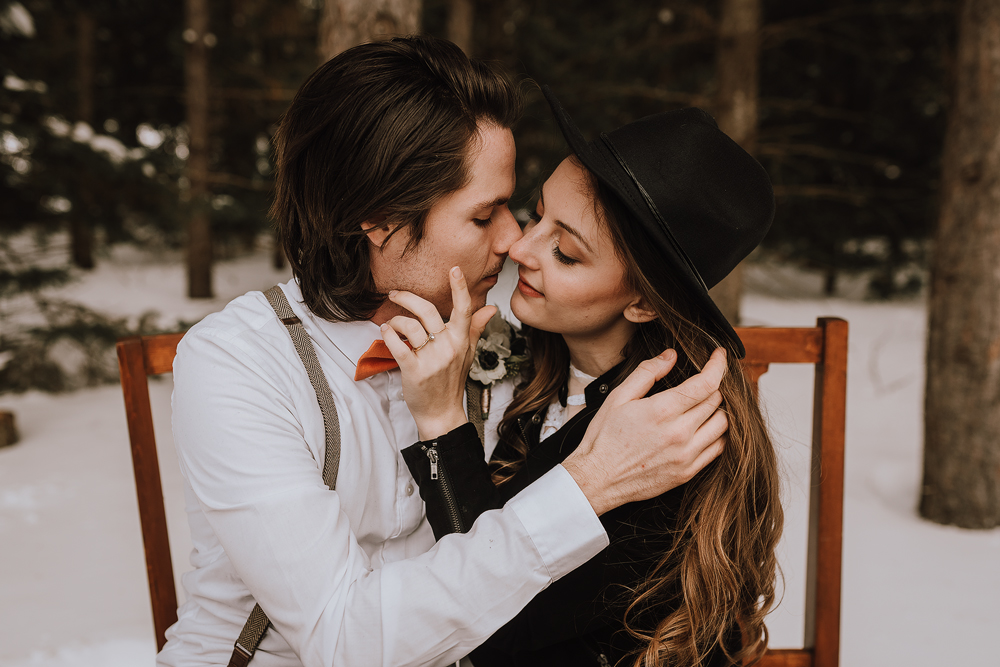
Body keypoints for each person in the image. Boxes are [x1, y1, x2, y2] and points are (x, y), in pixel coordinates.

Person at [160, 37, 729, 667]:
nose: (514, 241)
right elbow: (344, 641)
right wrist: (588, 486)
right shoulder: (239, 366)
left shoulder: (516, 351)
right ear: (378, 221)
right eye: (485, 216)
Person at [390, 87, 783, 666]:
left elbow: (486, 620)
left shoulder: (667, 437)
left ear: (644, 303)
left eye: (566, 254)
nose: (521, 247)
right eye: (537, 213)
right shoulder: (550, 369)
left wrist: (441, 421)